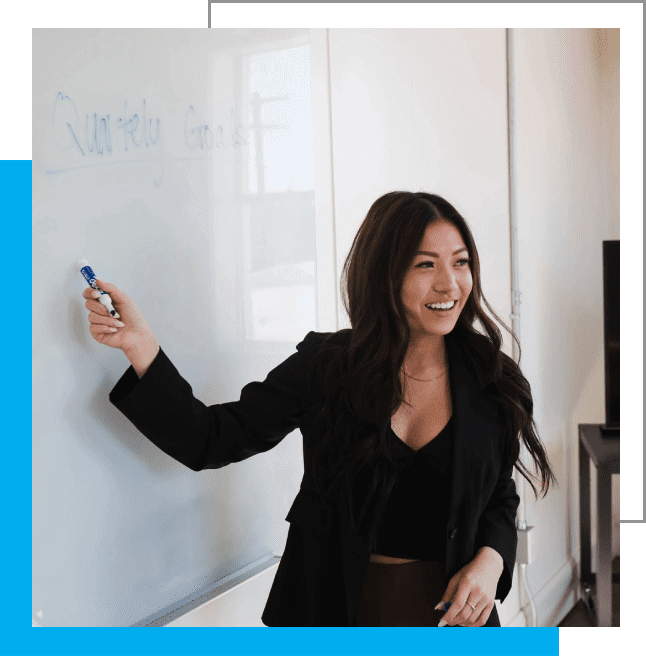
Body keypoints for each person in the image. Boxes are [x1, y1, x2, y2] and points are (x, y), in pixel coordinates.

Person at [82, 191, 556, 627]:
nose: (449, 283)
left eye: (461, 262)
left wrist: (491, 560)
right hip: (332, 613)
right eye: (425, 265)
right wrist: (141, 346)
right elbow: (211, 437)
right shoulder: (327, 368)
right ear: (384, 274)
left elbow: (498, 495)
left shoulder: (492, 380)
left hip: (452, 622)